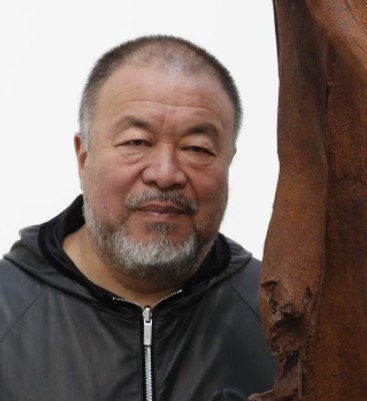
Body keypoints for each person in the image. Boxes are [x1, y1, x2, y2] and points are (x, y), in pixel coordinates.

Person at [0, 35, 275, 401]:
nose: (165, 174)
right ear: (83, 157)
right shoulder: (7, 311)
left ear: (228, 163)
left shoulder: (281, 319)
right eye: (136, 142)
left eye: (197, 148)